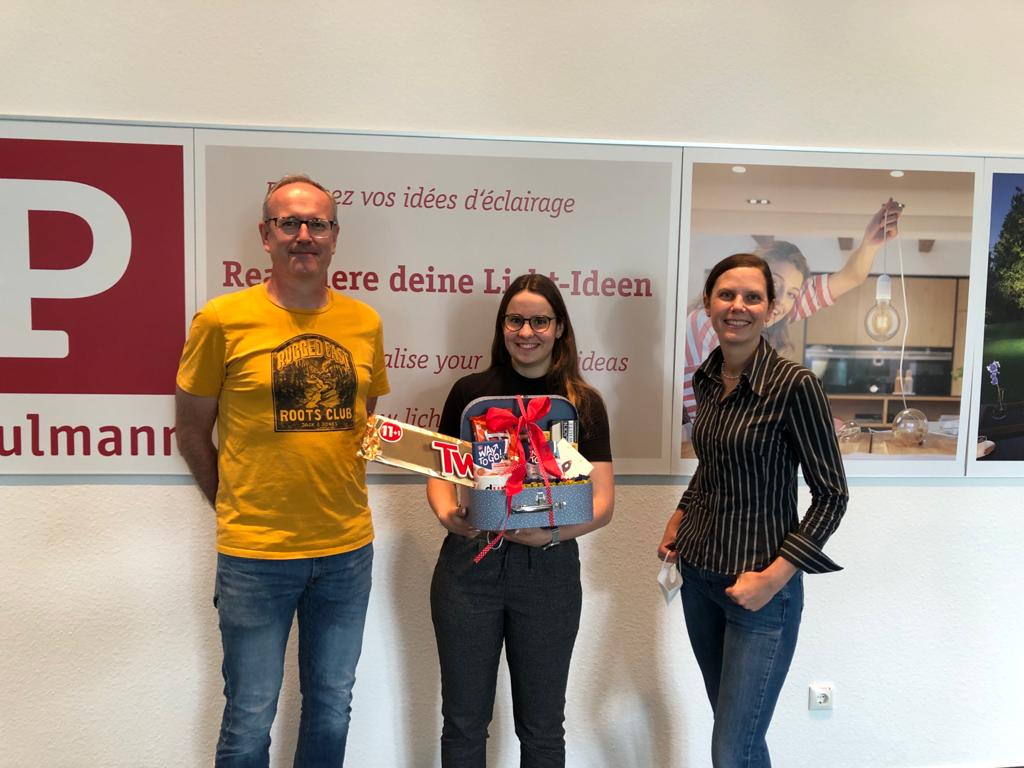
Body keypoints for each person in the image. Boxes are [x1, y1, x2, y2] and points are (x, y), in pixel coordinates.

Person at [175, 174, 389, 767]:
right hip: (254, 554)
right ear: (265, 235)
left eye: (316, 224)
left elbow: (362, 422)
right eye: (289, 223)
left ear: (335, 237)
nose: (303, 236)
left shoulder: (365, 322)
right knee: (249, 714)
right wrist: (229, 501)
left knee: (331, 704)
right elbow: (192, 429)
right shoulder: (221, 320)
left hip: (347, 551)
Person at [658, 253, 849, 767]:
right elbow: (713, 463)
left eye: (752, 297)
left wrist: (773, 579)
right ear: (708, 304)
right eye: (726, 295)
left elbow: (832, 494)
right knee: (740, 739)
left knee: (730, 747)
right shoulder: (706, 378)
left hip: (761, 594)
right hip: (699, 579)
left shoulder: (794, 386)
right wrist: (681, 515)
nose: (737, 306)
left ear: (770, 309)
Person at [426, 273, 615, 767]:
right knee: (464, 723)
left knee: (543, 727)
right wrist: (448, 514)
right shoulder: (469, 392)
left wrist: (549, 533)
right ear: (502, 325)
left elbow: (601, 503)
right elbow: (439, 474)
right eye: (516, 319)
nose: (526, 331)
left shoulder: (582, 402)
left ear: (559, 328)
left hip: (548, 572)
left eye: (539, 320)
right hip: (470, 568)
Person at [682, 199, 902, 421]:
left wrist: (871, 243)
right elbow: (714, 415)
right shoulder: (708, 323)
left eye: (792, 293)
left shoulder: (772, 313)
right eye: (776, 283)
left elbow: (850, 277)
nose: (782, 302)